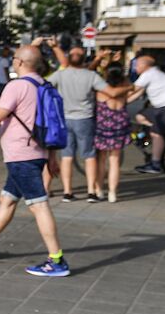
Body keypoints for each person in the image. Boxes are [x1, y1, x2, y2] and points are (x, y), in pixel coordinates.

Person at [0, 44, 71, 278]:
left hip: (21, 156)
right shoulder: (44, 85)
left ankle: (57, 260)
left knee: (39, 206)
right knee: (7, 199)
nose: (12, 61)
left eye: (14, 58)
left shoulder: (16, 86)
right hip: (36, 153)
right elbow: (48, 123)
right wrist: (51, 157)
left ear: (20, 62)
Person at [47, 40, 123, 201]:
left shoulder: (60, 74)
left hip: (65, 119)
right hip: (85, 119)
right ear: (83, 59)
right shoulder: (91, 76)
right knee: (89, 156)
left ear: (69, 58)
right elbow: (111, 92)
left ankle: (67, 192)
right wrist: (130, 87)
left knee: (66, 156)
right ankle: (91, 192)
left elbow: (43, 86)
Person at [126, 53, 165, 174]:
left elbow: (133, 90)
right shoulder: (152, 73)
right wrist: (122, 103)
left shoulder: (148, 74)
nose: (135, 68)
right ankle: (160, 135)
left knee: (155, 133)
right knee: (140, 116)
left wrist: (115, 101)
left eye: (137, 65)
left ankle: (155, 165)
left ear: (144, 66)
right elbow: (137, 94)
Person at [93, 64, 132, 203]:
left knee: (101, 160)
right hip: (119, 127)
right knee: (115, 161)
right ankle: (112, 193)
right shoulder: (124, 91)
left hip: (102, 127)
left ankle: (99, 190)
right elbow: (129, 85)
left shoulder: (101, 90)